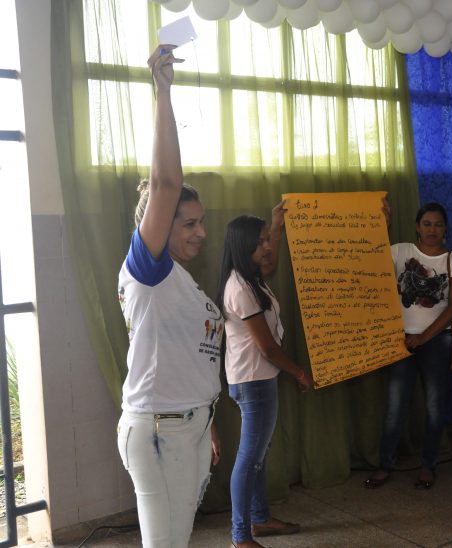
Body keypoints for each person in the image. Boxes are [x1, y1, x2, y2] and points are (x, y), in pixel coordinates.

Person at [116, 46, 222, 547]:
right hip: (162, 431)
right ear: (158, 226)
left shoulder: (179, 280)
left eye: (202, 222)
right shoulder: (149, 271)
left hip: (190, 424)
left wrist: (207, 417)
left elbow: (192, 358)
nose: (201, 233)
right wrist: (163, 91)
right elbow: (165, 183)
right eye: (189, 223)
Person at [215, 211, 310, 548]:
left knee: (257, 457)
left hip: (258, 378)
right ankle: (240, 536)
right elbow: (267, 348)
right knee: (249, 459)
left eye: (267, 239)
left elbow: (271, 265)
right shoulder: (240, 288)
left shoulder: (250, 277)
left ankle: (260, 519)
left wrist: (278, 227)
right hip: (252, 381)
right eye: (261, 242)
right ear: (245, 247)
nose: (267, 247)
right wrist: (298, 371)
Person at [365, 202, 452, 490]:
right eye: (427, 224)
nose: (432, 230)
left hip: (437, 340)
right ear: (417, 227)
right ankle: (385, 464)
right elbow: (372, 270)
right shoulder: (399, 251)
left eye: (438, 224)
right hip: (401, 340)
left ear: (445, 229)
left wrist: (423, 337)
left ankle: (428, 465)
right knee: (395, 406)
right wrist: (383, 229)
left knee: (435, 407)